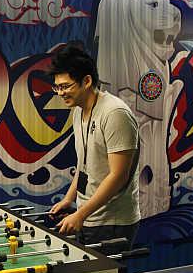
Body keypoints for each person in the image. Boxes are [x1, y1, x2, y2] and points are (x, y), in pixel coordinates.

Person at [47, 43, 141, 250]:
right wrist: (69, 199)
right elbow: (84, 165)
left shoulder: (114, 113)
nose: (60, 93)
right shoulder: (78, 111)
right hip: (89, 215)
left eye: (66, 86)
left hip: (113, 221)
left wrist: (81, 214)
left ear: (87, 81)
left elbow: (118, 176)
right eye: (57, 87)